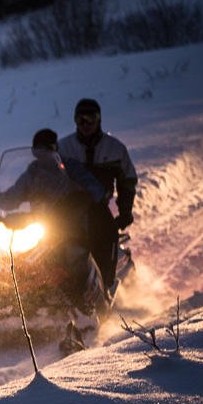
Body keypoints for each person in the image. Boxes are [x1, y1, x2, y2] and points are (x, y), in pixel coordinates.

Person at [0, 128, 109, 308]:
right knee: (0, 259)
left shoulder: (70, 168)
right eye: (37, 153)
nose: (42, 158)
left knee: (72, 257)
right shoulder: (33, 172)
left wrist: (83, 196)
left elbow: (95, 189)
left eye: (46, 153)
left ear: (55, 150)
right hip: (42, 224)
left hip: (71, 226)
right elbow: (13, 197)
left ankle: (88, 302)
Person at [58, 98, 138, 288]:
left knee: (105, 240)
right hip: (67, 208)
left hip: (98, 209)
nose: (85, 124)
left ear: (99, 119)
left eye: (90, 119)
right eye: (80, 119)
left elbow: (127, 181)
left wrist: (125, 211)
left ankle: (105, 287)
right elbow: (45, 172)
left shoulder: (115, 149)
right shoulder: (64, 147)